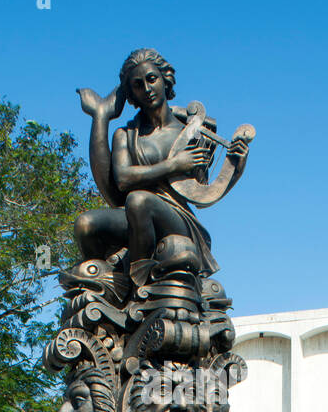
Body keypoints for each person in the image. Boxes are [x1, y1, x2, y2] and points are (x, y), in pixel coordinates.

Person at [74, 49, 250, 284]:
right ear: (131, 94)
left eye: (151, 79)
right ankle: (102, 286)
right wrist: (101, 116)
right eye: (137, 84)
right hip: (133, 217)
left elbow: (205, 193)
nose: (146, 88)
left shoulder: (192, 133)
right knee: (85, 224)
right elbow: (122, 180)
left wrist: (236, 167)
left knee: (139, 200)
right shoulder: (125, 135)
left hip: (177, 220)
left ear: (165, 80)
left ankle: (139, 283)